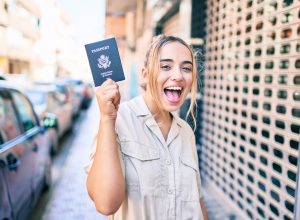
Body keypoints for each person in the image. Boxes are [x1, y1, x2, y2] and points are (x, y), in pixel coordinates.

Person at [86, 35, 208, 220]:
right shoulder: (118, 120)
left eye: (186, 68)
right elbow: (105, 204)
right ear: (145, 74)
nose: (178, 75)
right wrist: (107, 119)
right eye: (166, 66)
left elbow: (197, 201)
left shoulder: (186, 132)